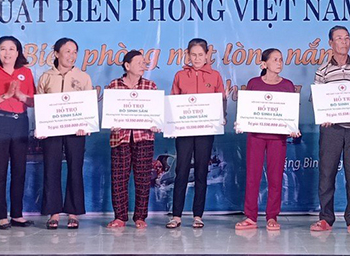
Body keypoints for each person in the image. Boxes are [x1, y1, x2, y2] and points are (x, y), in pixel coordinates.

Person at [311, 26, 350, 233]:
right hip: (332, 130)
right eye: (339, 38)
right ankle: (325, 218)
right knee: (326, 174)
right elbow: (318, 100)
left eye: (347, 38)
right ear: (331, 43)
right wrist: (324, 116)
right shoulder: (323, 71)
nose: (344, 42)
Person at [235, 49, 301, 231]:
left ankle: (272, 216)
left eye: (281, 59)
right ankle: (250, 217)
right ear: (264, 64)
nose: (279, 63)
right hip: (256, 136)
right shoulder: (254, 83)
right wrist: (241, 122)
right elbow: (247, 109)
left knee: (275, 177)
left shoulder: (287, 85)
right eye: (275, 59)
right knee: (252, 176)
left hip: (278, 138)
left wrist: (293, 128)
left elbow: (291, 113)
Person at [166, 38, 225, 229]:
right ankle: (176, 215)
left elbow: (221, 100)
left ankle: (198, 215)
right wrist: (171, 124)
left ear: (207, 55)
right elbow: (173, 102)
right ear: (188, 55)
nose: (197, 58)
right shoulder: (180, 75)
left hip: (205, 131)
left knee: (201, 171)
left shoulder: (215, 76)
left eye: (201, 54)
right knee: (181, 170)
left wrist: (221, 116)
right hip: (184, 131)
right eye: (193, 55)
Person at [36, 38, 93, 229]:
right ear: (56, 53)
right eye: (67, 51)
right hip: (52, 131)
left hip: (76, 131)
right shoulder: (46, 77)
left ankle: (73, 212)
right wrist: (42, 127)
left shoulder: (83, 77)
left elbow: (88, 106)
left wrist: (86, 124)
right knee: (51, 169)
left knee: (75, 169)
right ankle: (53, 213)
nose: (72, 55)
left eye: (75, 52)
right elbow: (40, 105)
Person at [0, 36, 35, 230]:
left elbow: (33, 101)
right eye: (3, 49)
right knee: (0, 170)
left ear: (18, 52)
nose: (7, 53)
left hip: (20, 123)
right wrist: (6, 96)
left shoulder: (26, 72)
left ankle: (17, 214)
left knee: (20, 170)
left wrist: (20, 96)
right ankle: (2, 216)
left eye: (12, 49)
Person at [105, 50, 160, 229]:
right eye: (138, 62)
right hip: (119, 138)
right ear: (127, 66)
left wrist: (156, 123)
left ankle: (140, 217)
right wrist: (111, 122)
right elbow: (109, 113)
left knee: (143, 179)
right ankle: (120, 217)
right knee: (119, 179)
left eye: (144, 63)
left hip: (144, 137)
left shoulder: (150, 86)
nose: (143, 65)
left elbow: (156, 114)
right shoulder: (114, 86)